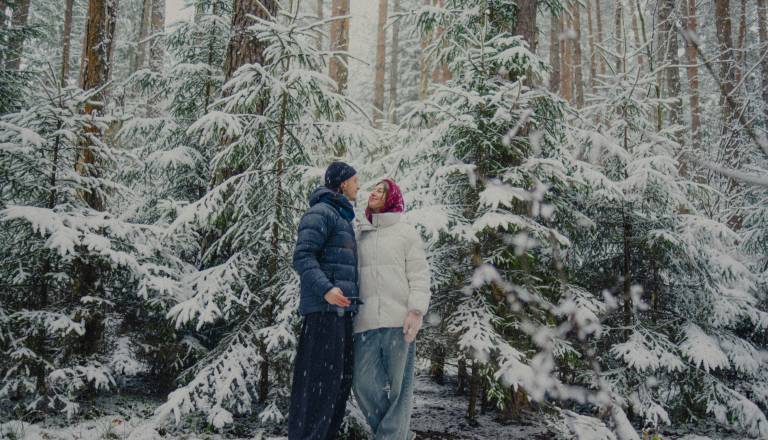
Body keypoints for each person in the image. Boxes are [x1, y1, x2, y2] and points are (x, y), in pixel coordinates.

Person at [353, 178, 431, 440]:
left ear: (393, 198)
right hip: (364, 323)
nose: (374, 192)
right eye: (373, 189)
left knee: (400, 389)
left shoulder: (406, 233)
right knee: (362, 384)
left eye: (382, 190)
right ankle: (398, 435)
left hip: (399, 322)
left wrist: (416, 311)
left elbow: (420, 275)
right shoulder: (360, 233)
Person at [288, 161, 361, 440]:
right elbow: (302, 257)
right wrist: (326, 290)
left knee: (336, 386)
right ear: (342, 183)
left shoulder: (341, 217)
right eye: (355, 180)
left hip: (340, 315)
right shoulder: (320, 212)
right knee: (318, 385)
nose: (359, 186)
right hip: (323, 313)